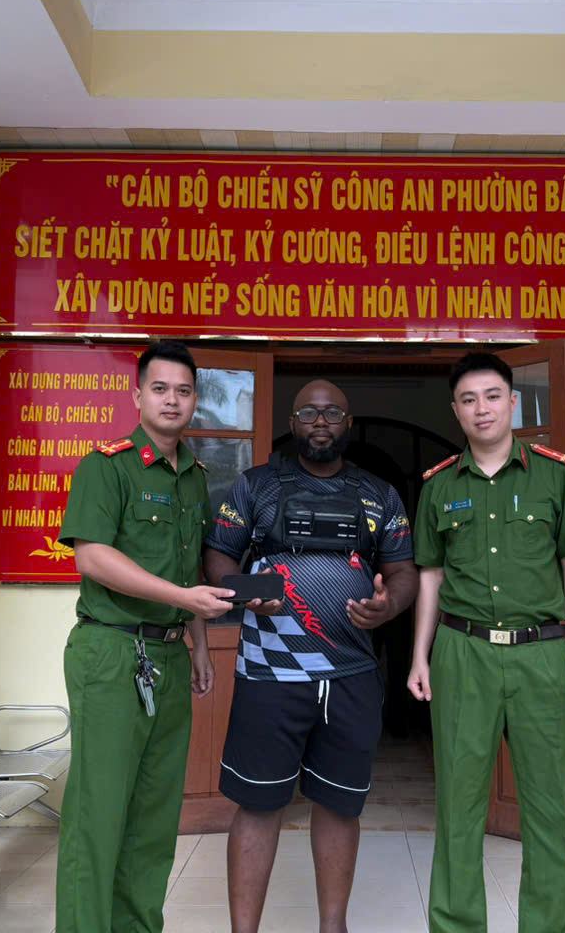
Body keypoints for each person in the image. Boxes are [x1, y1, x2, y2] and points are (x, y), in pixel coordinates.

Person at [204, 379, 420, 933]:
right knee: (258, 804)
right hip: (269, 674)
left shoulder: (379, 494)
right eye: (308, 412)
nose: (320, 422)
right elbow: (218, 558)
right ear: (292, 422)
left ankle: (333, 926)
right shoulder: (255, 486)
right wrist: (248, 591)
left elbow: (403, 571)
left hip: (350, 675)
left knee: (341, 804)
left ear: (348, 423)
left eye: (332, 413)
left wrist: (389, 605)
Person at [409, 351, 565, 933]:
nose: (482, 409)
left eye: (492, 396)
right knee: (458, 805)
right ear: (456, 411)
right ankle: (456, 924)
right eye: (469, 400)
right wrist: (419, 656)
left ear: (513, 402)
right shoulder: (440, 486)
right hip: (461, 652)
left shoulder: (554, 475)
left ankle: (551, 925)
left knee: (550, 805)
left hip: (542, 654)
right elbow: (430, 577)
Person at [54, 341, 235, 933]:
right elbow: (92, 557)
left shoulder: (194, 478)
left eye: (184, 391)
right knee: (99, 812)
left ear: (195, 400)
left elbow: (190, 567)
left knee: (155, 817)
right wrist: (184, 602)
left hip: (169, 656)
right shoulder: (107, 466)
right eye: (160, 389)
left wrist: (200, 644)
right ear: (137, 396)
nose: (172, 400)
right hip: (111, 651)